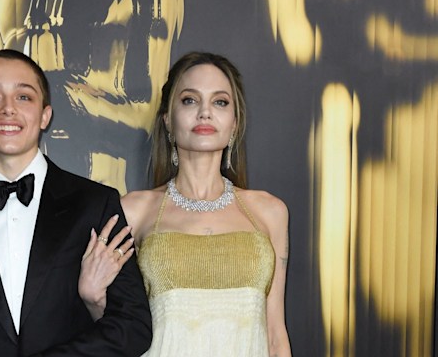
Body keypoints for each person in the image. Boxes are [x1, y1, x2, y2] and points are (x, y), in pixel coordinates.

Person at [0, 49, 152, 356]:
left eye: (24, 97)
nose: (8, 109)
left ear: (45, 115)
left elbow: (133, 327)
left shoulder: (95, 204)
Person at [79, 51, 292, 356]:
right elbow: (122, 333)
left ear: (234, 123)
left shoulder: (269, 212)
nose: (205, 113)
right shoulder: (134, 211)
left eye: (220, 102)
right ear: (167, 119)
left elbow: (275, 334)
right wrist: (93, 299)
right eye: (190, 100)